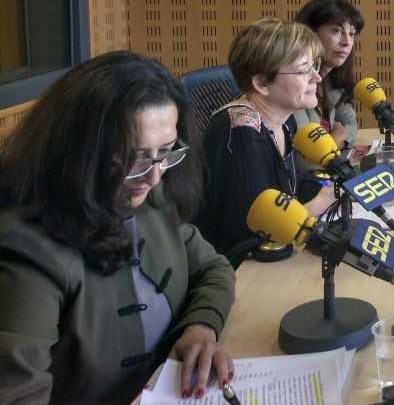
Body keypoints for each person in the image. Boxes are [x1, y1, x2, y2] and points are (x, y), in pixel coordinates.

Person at [0, 51, 235, 403]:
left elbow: (212, 268)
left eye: (166, 151)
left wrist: (200, 327)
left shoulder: (148, 200)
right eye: (134, 157)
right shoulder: (26, 253)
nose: (155, 175)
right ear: (80, 151)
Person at [194, 17, 336, 259]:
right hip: (238, 268)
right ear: (262, 83)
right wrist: (323, 201)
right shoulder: (239, 135)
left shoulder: (283, 117)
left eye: (315, 65)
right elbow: (259, 233)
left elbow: (295, 185)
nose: (317, 77)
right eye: (304, 70)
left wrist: (343, 187)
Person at [293, 0, 365, 149]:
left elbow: (350, 124)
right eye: (337, 31)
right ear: (310, 32)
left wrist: (338, 141)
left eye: (351, 33)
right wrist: (336, 138)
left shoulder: (332, 80)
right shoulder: (292, 84)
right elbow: (306, 158)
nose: (347, 42)